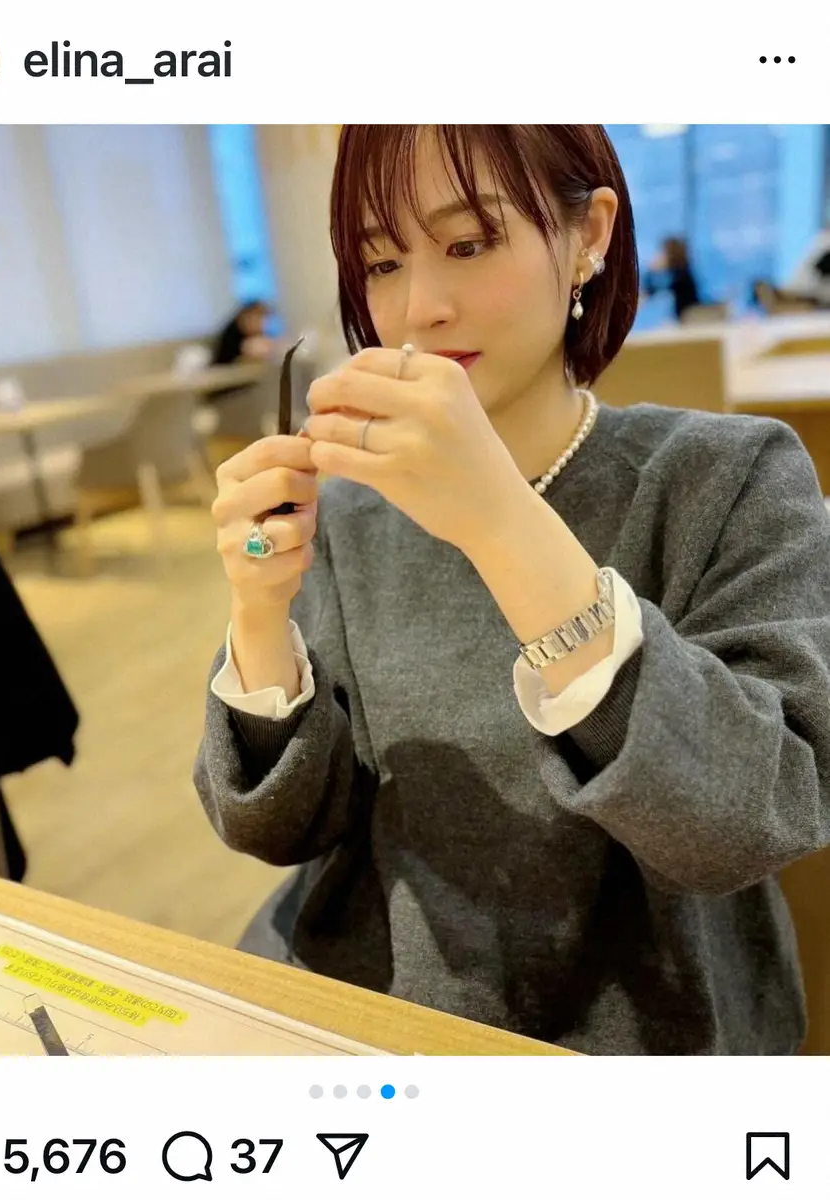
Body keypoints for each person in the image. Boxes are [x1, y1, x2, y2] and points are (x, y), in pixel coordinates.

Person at [195, 125, 830, 1055]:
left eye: (468, 243)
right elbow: (280, 828)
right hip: (368, 1025)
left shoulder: (728, 478)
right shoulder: (354, 511)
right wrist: (259, 614)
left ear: (589, 236)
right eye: (381, 263)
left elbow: (754, 817)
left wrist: (500, 522)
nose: (420, 309)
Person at [642, 236, 702, 320]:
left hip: (691, 315)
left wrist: (651, 272)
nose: (660, 256)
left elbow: (653, 290)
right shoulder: (680, 274)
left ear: (671, 256)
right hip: (687, 315)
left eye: (663, 253)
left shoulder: (681, 276)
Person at [212, 300, 276, 365]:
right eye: (257, 318)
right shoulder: (233, 336)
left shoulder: (256, 337)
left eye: (261, 319)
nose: (260, 324)